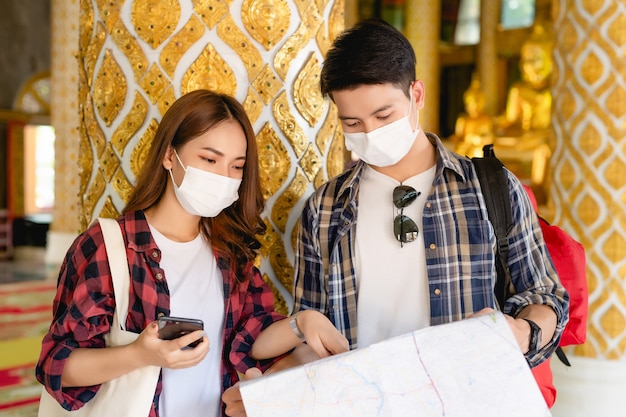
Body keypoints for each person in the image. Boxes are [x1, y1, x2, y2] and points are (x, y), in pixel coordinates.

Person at [223, 18, 569, 416]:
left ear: (416, 94)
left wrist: (519, 331)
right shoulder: (325, 210)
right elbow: (314, 342)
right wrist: (271, 394)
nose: (369, 133)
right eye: (352, 123)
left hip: (468, 402)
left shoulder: (488, 186)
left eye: (384, 116)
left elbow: (547, 298)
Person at [36, 89, 347, 417]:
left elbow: (251, 336)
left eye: (236, 166)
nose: (223, 177)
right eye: (209, 160)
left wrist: (302, 322)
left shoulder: (229, 253)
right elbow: (57, 365)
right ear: (170, 156)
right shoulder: (109, 246)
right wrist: (141, 354)